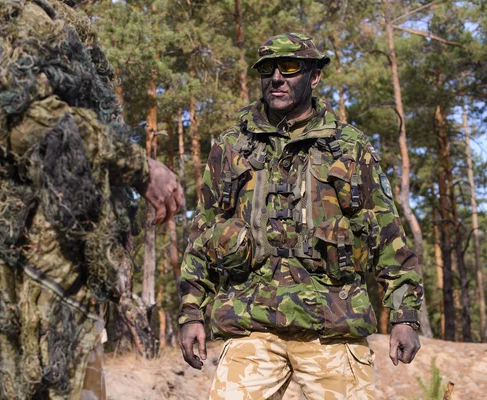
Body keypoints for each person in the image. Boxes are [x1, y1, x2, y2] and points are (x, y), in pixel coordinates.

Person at [0, 0, 182, 399]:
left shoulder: (51, 18)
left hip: (54, 294)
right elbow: (18, 111)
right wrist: (138, 166)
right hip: (2, 288)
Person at [179, 32, 422, 399]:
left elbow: (388, 236)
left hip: (333, 324)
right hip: (251, 324)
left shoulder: (349, 146)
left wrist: (404, 316)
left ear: (314, 75)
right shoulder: (231, 146)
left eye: (290, 67)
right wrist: (191, 312)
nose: (276, 78)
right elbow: (203, 231)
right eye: (267, 69)